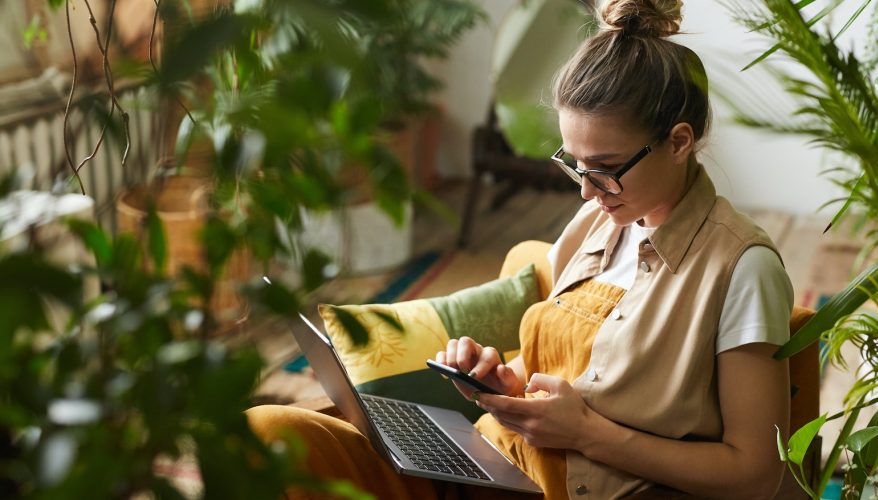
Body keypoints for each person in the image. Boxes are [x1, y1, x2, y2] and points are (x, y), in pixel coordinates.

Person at [246, 0, 793, 497]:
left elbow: (754, 474)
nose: (584, 189)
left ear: (679, 142)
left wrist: (588, 434)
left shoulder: (742, 267)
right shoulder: (591, 226)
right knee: (274, 429)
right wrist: (501, 386)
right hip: (492, 464)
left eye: (605, 169)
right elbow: (564, 378)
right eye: (572, 163)